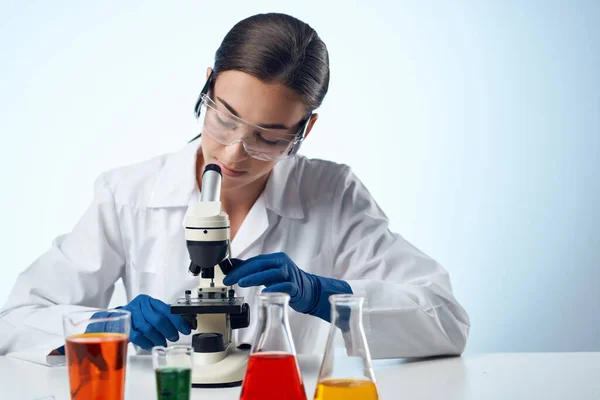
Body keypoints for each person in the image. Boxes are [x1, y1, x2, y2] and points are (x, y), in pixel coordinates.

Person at [0, 13, 469, 359]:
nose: (233, 154)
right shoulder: (128, 193)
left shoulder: (334, 194)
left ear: (305, 130)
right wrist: (103, 327)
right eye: (224, 120)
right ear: (208, 86)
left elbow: (447, 321)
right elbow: (18, 319)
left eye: (268, 137)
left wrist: (323, 295)